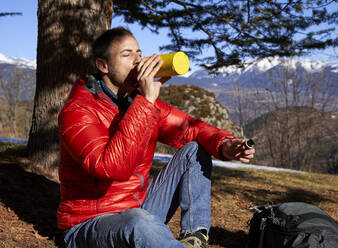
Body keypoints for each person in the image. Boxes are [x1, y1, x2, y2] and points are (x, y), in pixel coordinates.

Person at [57, 27, 255, 248]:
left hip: (137, 210)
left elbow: (192, 129)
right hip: (90, 225)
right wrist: (147, 100)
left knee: (195, 150)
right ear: (103, 66)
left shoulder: (137, 102)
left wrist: (225, 144)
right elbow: (111, 168)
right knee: (138, 223)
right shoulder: (78, 111)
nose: (138, 61)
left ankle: (193, 237)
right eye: (126, 55)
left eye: (139, 54)